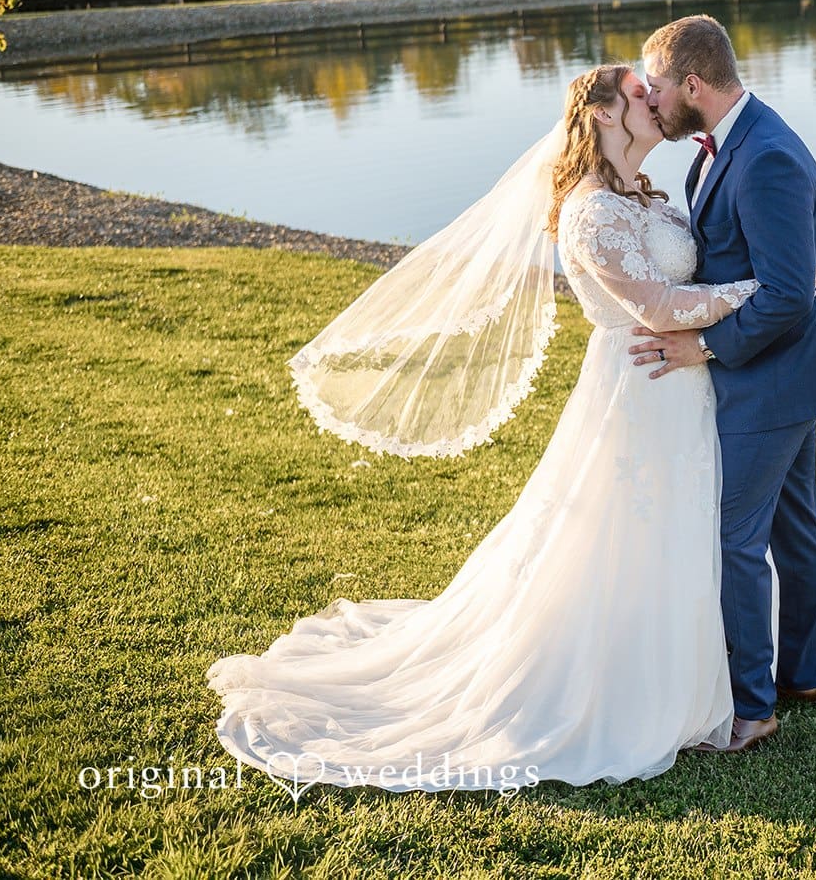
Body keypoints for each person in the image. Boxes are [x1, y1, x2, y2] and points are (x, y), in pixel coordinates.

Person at [207, 64, 772, 790]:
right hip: (637, 384)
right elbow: (659, 308)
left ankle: (691, 672)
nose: (655, 100)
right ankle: (625, 682)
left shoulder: (649, 196)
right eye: (638, 93)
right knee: (627, 530)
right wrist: (756, 291)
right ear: (603, 114)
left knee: (677, 528)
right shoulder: (590, 211)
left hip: (683, 385)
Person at [632, 15, 816, 753]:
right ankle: (799, 672)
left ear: (693, 84)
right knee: (794, 529)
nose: (653, 101)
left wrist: (706, 347)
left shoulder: (765, 158)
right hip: (787, 373)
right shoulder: (724, 149)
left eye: (659, 89)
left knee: (733, 537)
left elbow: (788, 293)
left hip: (772, 375)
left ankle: (753, 709)